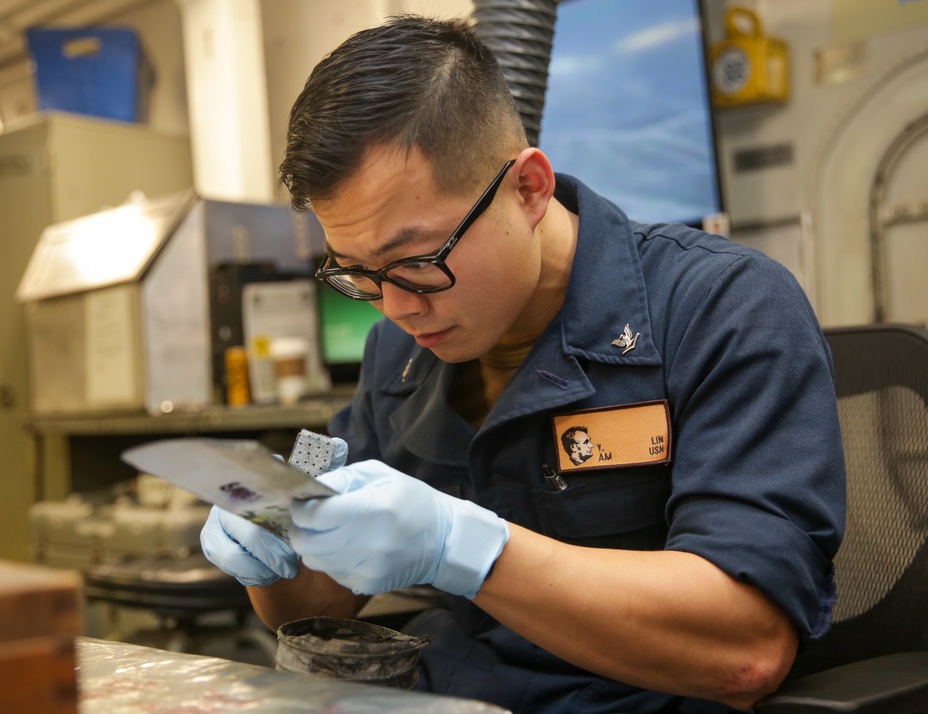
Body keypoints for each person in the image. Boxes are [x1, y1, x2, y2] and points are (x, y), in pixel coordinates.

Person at [201, 15, 846, 713]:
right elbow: (320, 600)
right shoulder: (398, 349)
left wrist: (464, 547)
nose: (393, 306)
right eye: (357, 274)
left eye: (417, 262)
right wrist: (270, 540)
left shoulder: (722, 306)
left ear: (530, 189)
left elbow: (744, 649)